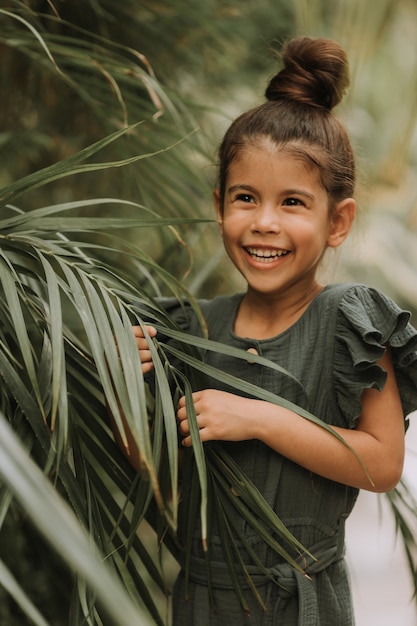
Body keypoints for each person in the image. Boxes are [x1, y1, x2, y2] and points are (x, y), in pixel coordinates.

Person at [125, 36, 417, 625]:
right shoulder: (190, 328)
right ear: (219, 205)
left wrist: (257, 418)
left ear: (338, 221)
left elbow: (383, 463)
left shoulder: (348, 322)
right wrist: (128, 386)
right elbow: (149, 471)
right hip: (203, 603)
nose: (263, 223)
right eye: (245, 198)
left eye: (291, 203)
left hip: (303, 606)